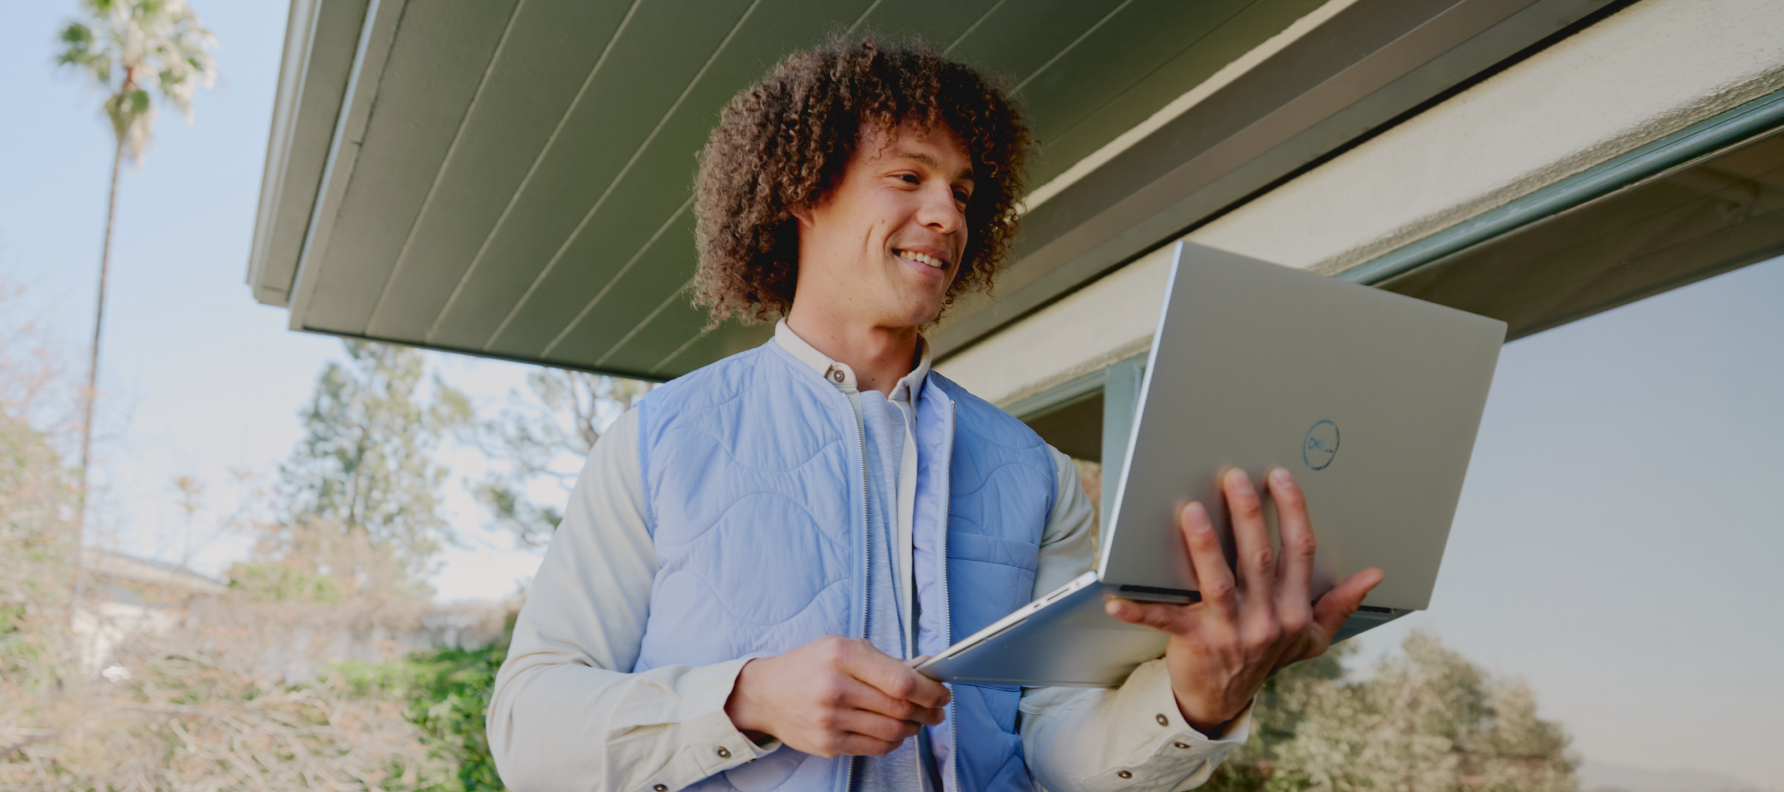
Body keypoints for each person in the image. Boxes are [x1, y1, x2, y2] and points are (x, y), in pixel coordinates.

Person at [487, 37, 1382, 792]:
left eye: (962, 189)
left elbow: (1060, 743)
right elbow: (528, 728)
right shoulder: (658, 442)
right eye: (908, 176)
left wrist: (1197, 701)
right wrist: (748, 698)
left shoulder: (1037, 474)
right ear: (801, 190)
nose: (945, 214)